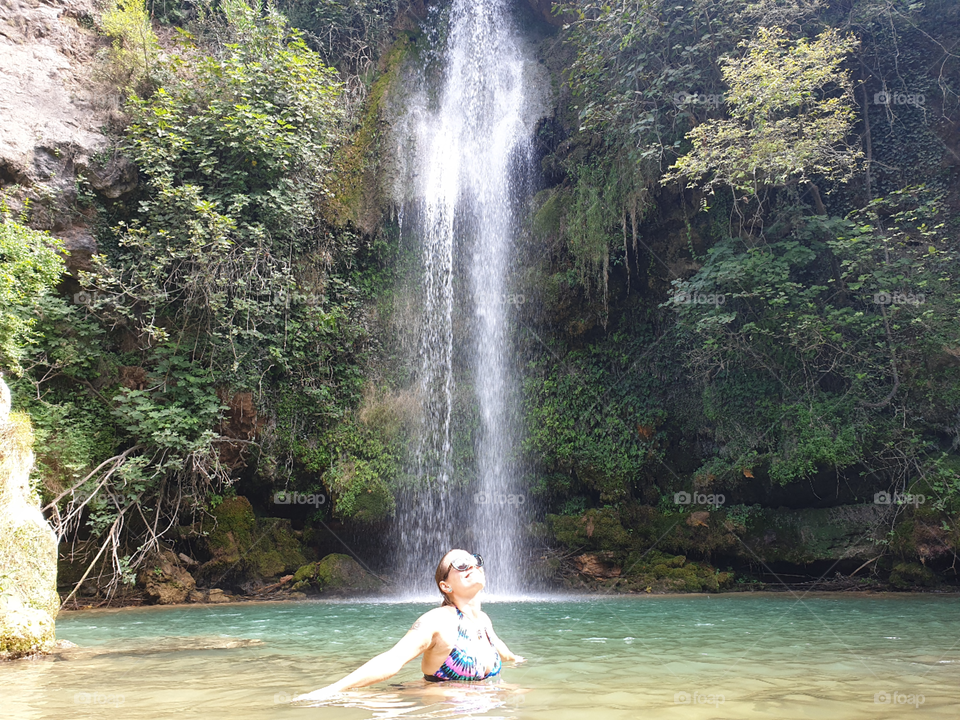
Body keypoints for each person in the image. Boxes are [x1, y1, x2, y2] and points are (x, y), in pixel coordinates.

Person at [294, 549, 523, 701]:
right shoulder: (437, 620)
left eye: (476, 560)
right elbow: (392, 660)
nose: (472, 565)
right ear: (445, 586)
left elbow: (499, 647)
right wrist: (329, 691)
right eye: (461, 564)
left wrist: (514, 658)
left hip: (482, 703)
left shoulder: (483, 621)